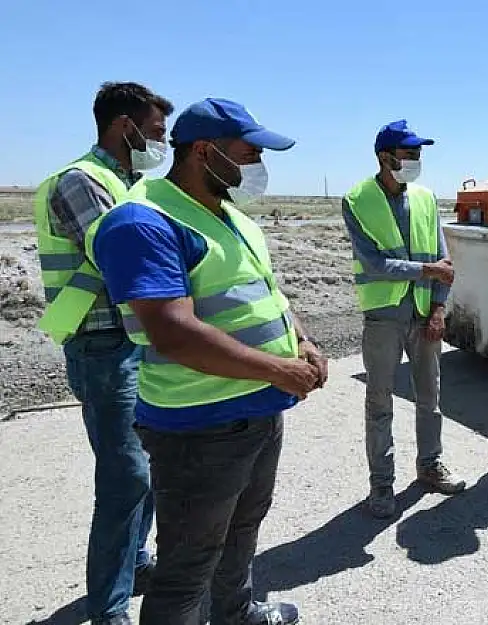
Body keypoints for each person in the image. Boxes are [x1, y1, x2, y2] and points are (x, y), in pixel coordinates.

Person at [86, 98, 324, 624]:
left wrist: (300, 341)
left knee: (241, 533)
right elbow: (172, 332)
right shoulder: (142, 221)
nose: (258, 167)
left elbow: (268, 292)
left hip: (257, 412)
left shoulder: (230, 216)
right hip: (199, 429)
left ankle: (237, 614)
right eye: (249, 154)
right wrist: (277, 369)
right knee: (187, 567)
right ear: (203, 151)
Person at [31, 81, 172, 625]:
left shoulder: (129, 184)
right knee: (125, 475)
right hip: (102, 343)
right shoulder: (81, 182)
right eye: (155, 132)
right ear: (124, 127)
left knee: (152, 463)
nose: (160, 143)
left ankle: (136, 562)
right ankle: (109, 610)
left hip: (137, 338)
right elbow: (128, 259)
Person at [341, 120, 465, 519]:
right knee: (380, 402)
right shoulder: (358, 199)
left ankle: (430, 466)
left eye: (418, 154)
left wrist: (439, 307)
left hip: (426, 313)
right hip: (384, 317)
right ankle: (381, 485)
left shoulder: (426, 199)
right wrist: (427, 272)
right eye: (409, 154)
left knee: (430, 399)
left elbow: (445, 263)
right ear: (385, 157)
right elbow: (374, 263)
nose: (416, 160)